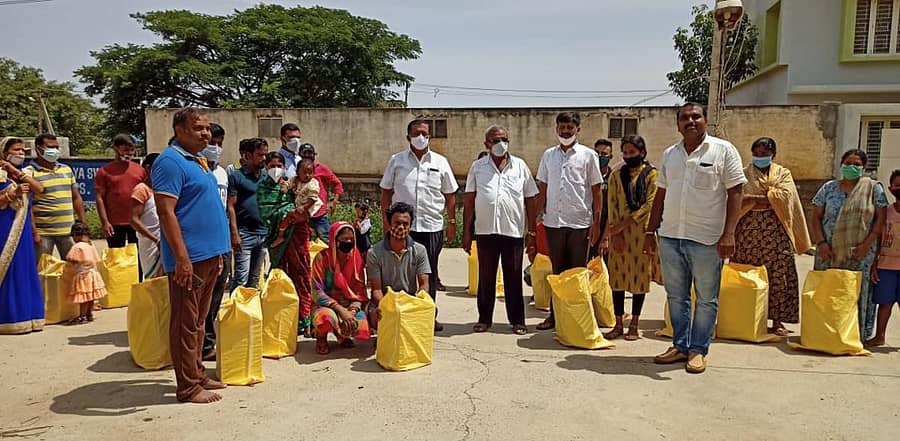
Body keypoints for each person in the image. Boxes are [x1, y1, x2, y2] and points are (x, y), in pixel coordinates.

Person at [644, 102, 746, 374]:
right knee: (676, 297)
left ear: (705, 119)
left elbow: (736, 192)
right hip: (671, 236)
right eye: (685, 118)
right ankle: (680, 345)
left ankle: (698, 350)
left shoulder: (723, 150)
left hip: (707, 239)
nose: (690, 121)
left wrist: (729, 233)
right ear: (678, 124)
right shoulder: (670, 154)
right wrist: (649, 230)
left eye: (696, 116)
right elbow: (661, 194)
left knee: (706, 299)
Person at [152, 107, 230, 404]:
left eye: (207, 128)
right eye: (198, 128)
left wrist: (219, 253)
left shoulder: (200, 162)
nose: (206, 134)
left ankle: (197, 373)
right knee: (185, 323)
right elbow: (166, 212)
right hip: (190, 259)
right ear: (180, 130)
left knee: (199, 321)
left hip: (210, 257)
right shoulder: (169, 162)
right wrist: (182, 259)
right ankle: (187, 387)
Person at [380, 120, 458, 332]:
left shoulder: (441, 162)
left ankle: (427, 315)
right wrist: (386, 223)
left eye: (424, 133)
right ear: (408, 137)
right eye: (416, 133)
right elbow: (386, 193)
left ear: (429, 136)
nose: (421, 137)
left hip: (432, 226)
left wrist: (451, 222)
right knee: (400, 273)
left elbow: (450, 195)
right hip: (403, 229)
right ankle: (402, 314)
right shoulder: (396, 161)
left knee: (428, 274)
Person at [463, 125, 538, 335]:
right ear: (486, 144)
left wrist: (531, 232)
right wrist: (466, 232)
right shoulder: (477, 167)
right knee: (486, 277)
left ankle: (517, 321)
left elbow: (530, 200)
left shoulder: (520, 166)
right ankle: (484, 319)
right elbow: (469, 201)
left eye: (504, 139)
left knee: (513, 277)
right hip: (485, 232)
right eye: (495, 140)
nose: (500, 144)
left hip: (512, 232)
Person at [732, 137, 811, 336]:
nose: (760, 157)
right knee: (748, 274)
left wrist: (756, 199)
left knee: (779, 276)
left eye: (764, 154)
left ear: (773, 155)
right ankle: (746, 316)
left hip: (777, 232)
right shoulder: (743, 174)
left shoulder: (783, 174)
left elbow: (786, 197)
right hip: (747, 234)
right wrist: (766, 198)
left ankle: (777, 322)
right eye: (757, 154)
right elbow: (739, 199)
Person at [533, 112, 604, 331]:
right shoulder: (548, 156)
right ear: (557, 129)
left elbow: (596, 190)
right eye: (562, 128)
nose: (565, 132)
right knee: (557, 272)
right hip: (553, 222)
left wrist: (597, 223)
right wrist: (537, 219)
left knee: (576, 272)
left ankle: (577, 317)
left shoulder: (588, 155)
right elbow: (543, 188)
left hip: (580, 223)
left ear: (577, 130)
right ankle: (555, 316)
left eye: (569, 128)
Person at [810, 149, 887, 342]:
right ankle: (825, 333)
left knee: (856, 293)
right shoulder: (828, 188)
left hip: (860, 254)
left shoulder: (873, 188)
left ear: (864, 168)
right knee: (829, 292)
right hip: (828, 252)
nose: (852, 167)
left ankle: (854, 335)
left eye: (857, 165)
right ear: (841, 164)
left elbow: (880, 221)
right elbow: (816, 217)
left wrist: (865, 246)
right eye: (848, 163)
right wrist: (821, 244)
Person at [604, 135, 661, 341]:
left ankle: (634, 323)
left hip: (641, 234)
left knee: (639, 279)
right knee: (617, 280)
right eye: (625, 153)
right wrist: (615, 233)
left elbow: (650, 205)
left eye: (632, 152)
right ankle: (618, 324)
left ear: (642, 152)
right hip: (619, 236)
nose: (629, 156)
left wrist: (624, 224)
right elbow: (611, 204)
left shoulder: (652, 175)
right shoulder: (616, 176)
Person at [258, 151, 314, 335]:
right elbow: (265, 214)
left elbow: (307, 206)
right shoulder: (263, 189)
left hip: (298, 236)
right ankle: (279, 319)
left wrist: (296, 213)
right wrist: (287, 213)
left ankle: (304, 319)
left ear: (285, 167)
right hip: (276, 239)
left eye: (279, 165)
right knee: (280, 277)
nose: (276, 169)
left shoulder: (293, 186)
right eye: (272, 165)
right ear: (266, 167)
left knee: (302, 275)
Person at [0, 137, 44, 334]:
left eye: (23, 150)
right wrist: (12, 194)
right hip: (6, 227)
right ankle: (9, 318)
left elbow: (39, 189)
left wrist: (15, 172)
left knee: (26, 269)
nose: (20, 153)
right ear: (4, 153)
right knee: (11, 270)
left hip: (23, 228)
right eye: (16, 150)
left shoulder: (22, 173)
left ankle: (29, 317)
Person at [366, 202, 431, 331]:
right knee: (376, 315)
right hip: (385, 300)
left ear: (411, 226)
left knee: (431, 310)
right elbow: (376, 290)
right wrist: (389, 306)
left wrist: (418, 302)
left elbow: (424, 284)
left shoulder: (420, 250)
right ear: (389, 224)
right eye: (397, 223)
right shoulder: (374, 253)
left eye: (405, 224)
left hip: (409, 299)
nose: (401, 227)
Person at [311, 222, 370, 354]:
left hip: (349, 304)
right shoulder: (322, 258)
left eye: (351, 240)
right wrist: (341, 310)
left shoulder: (356, 260)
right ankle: (321, 337)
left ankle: (343, 335)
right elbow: (316, 292)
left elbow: (359, 292)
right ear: (334, 240)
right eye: (344, 240)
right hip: (326, 305)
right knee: (325, 319)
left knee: (362, 328)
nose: (348, 242)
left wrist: (352, 312)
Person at [26, 134, 86, 260]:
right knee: (43, 271)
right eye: (50, 147)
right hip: (43, 234)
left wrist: (83, 224)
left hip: (68, 231)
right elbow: (27, 205)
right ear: (38, 149)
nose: (54, 150)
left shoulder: (66, 170)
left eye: (56, 147)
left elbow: (76, 198)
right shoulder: (29, 172)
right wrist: (34, 232)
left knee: (74, 268)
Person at [201, 123, 230, 361]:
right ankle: (198, 346)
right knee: (201, 296)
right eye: (213, 143)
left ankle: (208, 342)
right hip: (202, 243)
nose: (216, 148)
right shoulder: (196, 170)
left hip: (223, 241)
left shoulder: (221, 172)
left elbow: (229, 207)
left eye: (220, 144)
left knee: (217, 293)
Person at [227, 138, 269, 290]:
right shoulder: (236, 176)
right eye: (259, 155)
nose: (263, 158)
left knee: (254, 280)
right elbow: (230, 205)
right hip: (245, 234)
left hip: (263, 233)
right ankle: (234, 312)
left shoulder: (266, 176)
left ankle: (249, 312)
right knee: (241, 280)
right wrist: (234, 233)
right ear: (248, 155)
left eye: (265, 155)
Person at [95, 134, 146, 249]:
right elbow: (100, 198)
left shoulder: (140, 170)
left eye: (132, 149)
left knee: (139, 259)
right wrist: (105, 222)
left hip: (137, 222)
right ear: (116, 149)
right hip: (114, 223)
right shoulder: (104, 171)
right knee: (117, 260)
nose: (130, 152)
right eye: (126, 149)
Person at [868, 170, 900, 347]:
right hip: (886, 266)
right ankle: (880, 336)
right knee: (884, 304)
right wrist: (874, 265)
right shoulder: (885, 212)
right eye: (897, 185)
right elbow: (878, 239)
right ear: (890, 188)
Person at [299, 143, 344, 243]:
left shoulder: (322, 169)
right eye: (304, 153)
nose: (307, 156)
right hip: (303, 214)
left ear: (314, 155)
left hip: (320, 214)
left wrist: (334, 201)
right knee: (303, 243)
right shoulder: (296, 170)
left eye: (309, 153)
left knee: (328, 241)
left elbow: (337, 184)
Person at [64, 221, 107, 325]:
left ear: (75, 235)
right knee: (90, 296)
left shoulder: (77, 247)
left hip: (82, 276)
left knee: (83, 297)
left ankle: (82, 316)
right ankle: (89, 314)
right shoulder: (90, 245)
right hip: (92, 274)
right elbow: (95, 259)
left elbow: (72, 259)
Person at [272, 158, 320, 248]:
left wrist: (304, 207)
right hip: (298, 206)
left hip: (308, 208)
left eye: (310, 173)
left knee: (289, 215)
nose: (307, 175)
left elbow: (312, 199)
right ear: (298, 172)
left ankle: (280, 236)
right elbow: (288, 183)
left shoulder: (313, 184)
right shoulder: (295, 179)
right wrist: (285, 187)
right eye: (304, 172)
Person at [130, 153, 163, 279]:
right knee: (154, 282)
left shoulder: (163, 189)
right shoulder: (141, 190)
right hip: (150, 244)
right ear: (149, 169)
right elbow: (134, 220)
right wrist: (155, 240)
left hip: (164, 242)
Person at [594, 138, 614, 257]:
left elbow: (612, 210)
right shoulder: (585, 176)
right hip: (586, 229)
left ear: (611, 156)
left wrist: (606, 237)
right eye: (597, 154)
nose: (600, 157)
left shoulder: (614, 178)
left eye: (604, 154)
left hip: (605, 229)